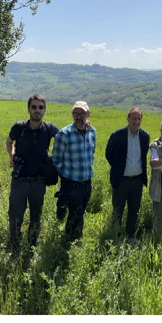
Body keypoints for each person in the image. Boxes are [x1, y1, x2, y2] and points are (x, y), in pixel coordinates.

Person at [5, 94, 59, 252]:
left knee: (36, 216)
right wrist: (12, 156)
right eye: (34, 107)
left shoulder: (49, 129)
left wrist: (85, 125)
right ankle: (15, 245)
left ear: (45, 110)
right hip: (19, 181)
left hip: (38, 182)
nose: (37, 110)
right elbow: (9, 142)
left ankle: (32, 246)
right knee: (15, 217)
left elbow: (67, 136)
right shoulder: (19, 127)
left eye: (40, 107)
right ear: (28, 109)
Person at [51, 101, 97, 241]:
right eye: (76, 113)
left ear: (88, 114)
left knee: (79, 212)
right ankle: (74, 241)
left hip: (87, 182)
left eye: (82, 113)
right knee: (76, 215)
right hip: (71, 182)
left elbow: (91, 154)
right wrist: (65, 176)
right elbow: (56, 159)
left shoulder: (92, 132)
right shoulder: (64, 134)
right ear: (72, 114)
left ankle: (69, 238)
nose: (78, 116)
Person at [105, 108, 150, 241]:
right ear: (128, 119)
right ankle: (115, 236)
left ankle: (130, 236)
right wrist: (118, 168)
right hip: (121, 180)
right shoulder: (117, 135)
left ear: (141, 120)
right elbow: (109, 154)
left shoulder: (145, 136)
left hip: (137, 181)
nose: (136, 121)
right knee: (117, 211)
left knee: (134, 211)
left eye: (138, 119)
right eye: (133, 118)